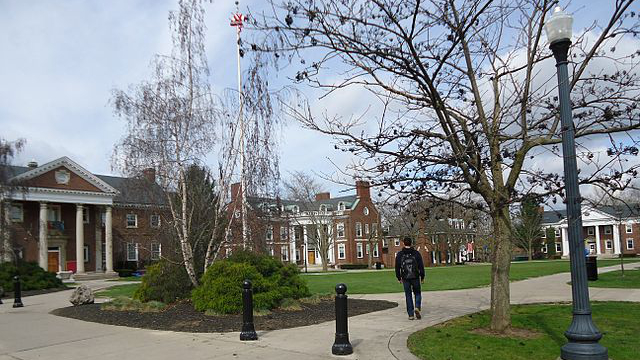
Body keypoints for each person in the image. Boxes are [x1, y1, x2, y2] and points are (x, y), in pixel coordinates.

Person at [395, 237, 425, 320]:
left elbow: (397, 267)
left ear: (404, 243)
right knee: (417, 293)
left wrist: (398, 277)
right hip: (415, 276)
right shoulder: (416, 253)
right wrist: (422, 276)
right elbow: (421, 266)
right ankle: (417, 307)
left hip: (405, 277)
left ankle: (411, 314)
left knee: (408, 295)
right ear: (411, 243)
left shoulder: (400, 254)